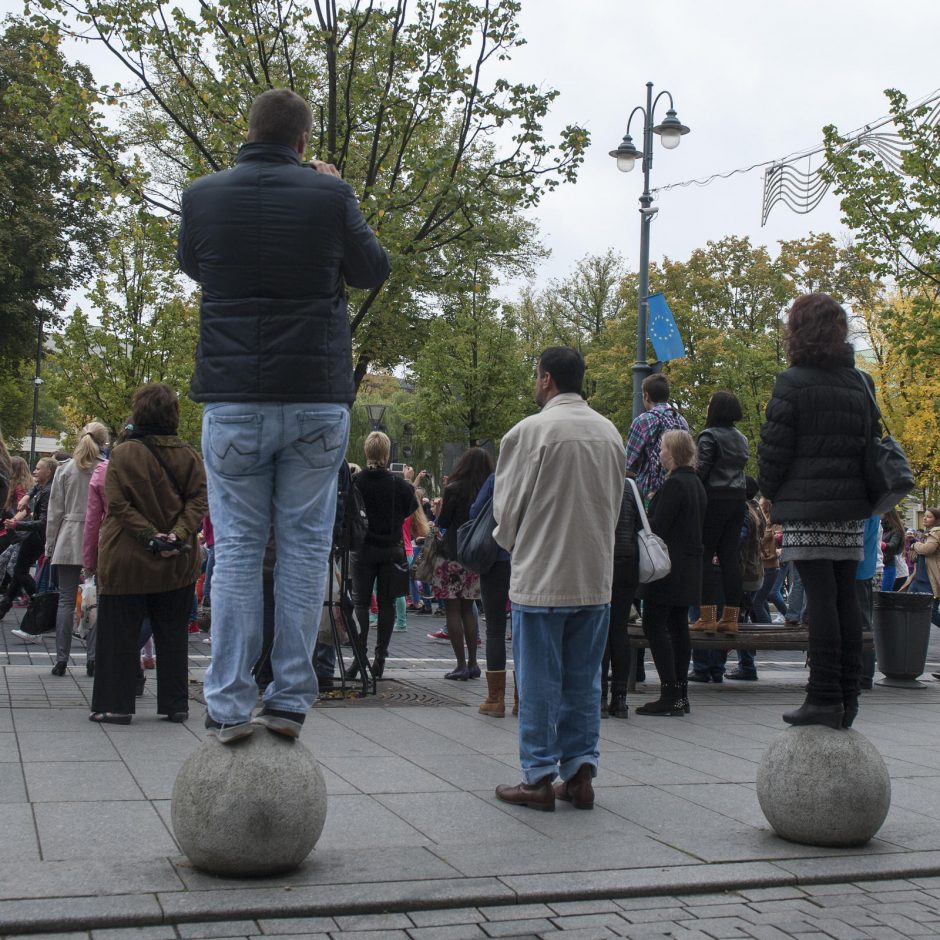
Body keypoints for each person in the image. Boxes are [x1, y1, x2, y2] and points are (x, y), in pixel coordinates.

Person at [177, 88, 390, 742]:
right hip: (316, 399)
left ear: (249, 131)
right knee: (302, 547)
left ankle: (229, 701)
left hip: (235, 398)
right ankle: (291, 699)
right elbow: (373, 268)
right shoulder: (330, 197)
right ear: (303, 142)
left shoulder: (202, 195)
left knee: (238, 548)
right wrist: (336, 190)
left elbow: (193, 263)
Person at [493, 346, 625, 812]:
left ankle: (538, 777)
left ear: (546, 379)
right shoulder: (610, 433)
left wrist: (513, 542)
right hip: (594, 575)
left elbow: (506, 514)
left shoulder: (529, 432)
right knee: (584, 681)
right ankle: (580, 773)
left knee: (537, 682)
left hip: (541, 576)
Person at [758, 293, 873, 730]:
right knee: (844, 595)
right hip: (851, 508)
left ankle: (822, 694)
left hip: (808, 507)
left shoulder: (793, 382)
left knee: (820, 598)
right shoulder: (860, 381)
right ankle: (847, 694)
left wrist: (770, 491)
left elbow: (775, 449)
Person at [90, 384, 208, 725]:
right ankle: (175, 705)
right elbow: (198, 502)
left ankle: (116, 705)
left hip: (126, 558)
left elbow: (118, 505)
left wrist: (149, 536)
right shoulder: (188, 454)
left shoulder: (124, 454)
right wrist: (177, 534)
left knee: (119, 635)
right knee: (172, 635)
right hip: (178, 560)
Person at [636, 430, 707, 717]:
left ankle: (669, 692)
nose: (660, 453)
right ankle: (680, 695)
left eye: (664, 448)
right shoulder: (696, 484)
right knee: (678, 628)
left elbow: (657, 526)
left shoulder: (674, 485)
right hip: (689, 566)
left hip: (668, 568)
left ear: (673, 452)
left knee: (654, 624)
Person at [348, 431, 417, 679]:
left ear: (367, 452)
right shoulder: (401, 485)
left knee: (361, 604)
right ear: (387, 454)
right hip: (391, 549)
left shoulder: (355, 483)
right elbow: (410, 510)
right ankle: (381, 657)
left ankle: (359, 657)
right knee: (387, 604)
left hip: (363, 549)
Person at [46, 423, 110, 677]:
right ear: (103, 442)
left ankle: (61, 658)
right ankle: (92, 658)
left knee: (65, 599)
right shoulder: (105, 469)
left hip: (68, 535)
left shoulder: (65, 469)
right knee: (94, 600)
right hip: (96, 537)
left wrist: (50, 544)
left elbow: (55, 512)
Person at [432, 448, 493, 680]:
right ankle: (474, 662)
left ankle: (460, 665)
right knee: (469, 608)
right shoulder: (485, 491)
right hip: (474, 555)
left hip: (450, 554)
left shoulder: (454, 489)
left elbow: (444, 522)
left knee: (452, 610)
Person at [690, 391, 748, 633]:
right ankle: (731, 618)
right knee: (730, 558)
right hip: (738, 499)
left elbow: (702, 469)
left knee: (705, 556)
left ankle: (707, 616)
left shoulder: (709, 436)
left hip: (714, 499)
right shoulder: (741, 438)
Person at [471, 469, 513, 716]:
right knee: (522, 627)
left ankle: (496, 699)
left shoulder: (497, 479)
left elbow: (476, 512)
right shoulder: (536, 475)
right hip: (526, 558)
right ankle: (522, 699)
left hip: (496, 558)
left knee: (495, 628)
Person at [603, 470, 641, 719]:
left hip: (602, 562)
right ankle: (620, 699)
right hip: (628, 563)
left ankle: (599, 697)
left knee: (600, 630)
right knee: (619, 630)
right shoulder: (630, 485)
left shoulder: (598, 480)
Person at [0, 457, 57, 620]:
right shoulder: (42, 487)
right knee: (18, 570)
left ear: (49, 472)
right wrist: (27, 497)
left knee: (19, 571)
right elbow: (34, 490)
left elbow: (43, 522)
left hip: (36, 537)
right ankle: (6, 606)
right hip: (32, 536)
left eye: (39, 469)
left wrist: (16, 524)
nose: (35, 471)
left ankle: (38, 605)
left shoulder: (48, 491)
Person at [624, 373, 689, 499]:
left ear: (646, 396)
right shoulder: (681, 421)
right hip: (679, 490)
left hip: (650, 494)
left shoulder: (642, 421)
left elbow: (628, 464)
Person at [909, 507, 940, 628]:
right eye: (925, 516)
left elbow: (927, 549)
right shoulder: (928, 532)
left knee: (931, 612)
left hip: (929, 578)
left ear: (936, 519)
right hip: (920, 577)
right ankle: (914, 632)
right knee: (909, 603)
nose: (925, 518)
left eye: (929, 516)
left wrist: (915, 544)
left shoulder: (936, 531)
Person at [880, 509, 906, 592]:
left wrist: (881, 544)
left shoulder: (896, 530)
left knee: (884, 595)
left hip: (888, 566)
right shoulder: (879, 527)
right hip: (878, 566)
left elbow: (893, 546)